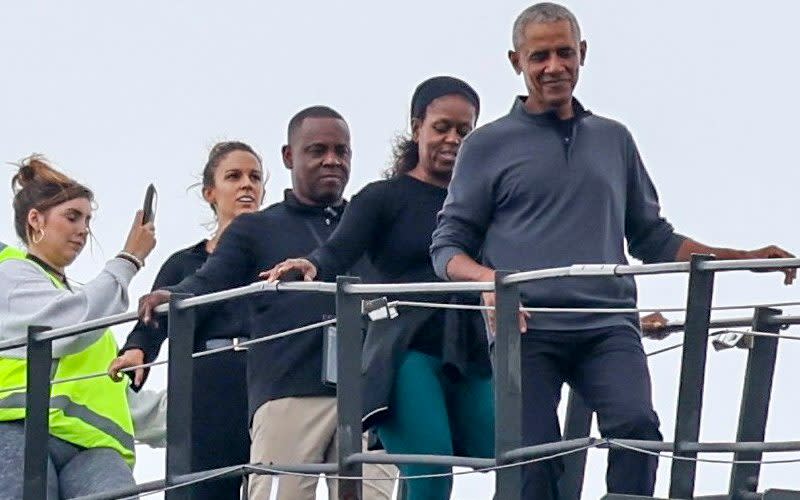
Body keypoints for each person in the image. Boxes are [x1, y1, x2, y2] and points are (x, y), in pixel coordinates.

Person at [429, 3, 797, 498]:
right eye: (539, 56)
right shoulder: (486, 145)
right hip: (528, 328)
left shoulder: (613, 139)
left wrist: (743, 259)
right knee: (533, 459)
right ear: (516, 62)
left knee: (638, 431)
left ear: (582, 54)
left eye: (564, 52)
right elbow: (448, 245)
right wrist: (489, 283)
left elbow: (652, 238)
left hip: (607, 323)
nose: (554, 66)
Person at [136, 107, 396, 500]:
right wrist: (160, 313)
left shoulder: (367, 226)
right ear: (290, 157)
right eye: (318, 150)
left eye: (342, 151)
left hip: (365, 394)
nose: (332, 160)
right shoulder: (256, 228)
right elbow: (207, 281)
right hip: (289, 391)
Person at [263, 76, 493, 500]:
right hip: (405, 352)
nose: (453, 139)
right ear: (416, 126)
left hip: (470, 349)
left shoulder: (483, 201)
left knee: (516, 450)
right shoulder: (384, 197)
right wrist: (308, 265)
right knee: (431, 474)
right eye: (442, 127)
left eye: (464, 130)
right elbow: (336, 253)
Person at [108, 141, 266, 499]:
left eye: (254, 177)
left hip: (267, 386)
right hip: (207, 391)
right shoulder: (184, 263)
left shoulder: (279, 259)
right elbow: (154, 318)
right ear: (210, 192)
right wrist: (137, 350)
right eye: (234, 176)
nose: (247, 185)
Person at [0, 155, 159, 499]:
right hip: (19, 430)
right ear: (35, 220)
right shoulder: (10, 274)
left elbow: (111, 397)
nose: (84, 229)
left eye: (87, 219)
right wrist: (129, 260)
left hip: (92, 446)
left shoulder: (81, 306)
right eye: (72, 217)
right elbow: (70, 325)